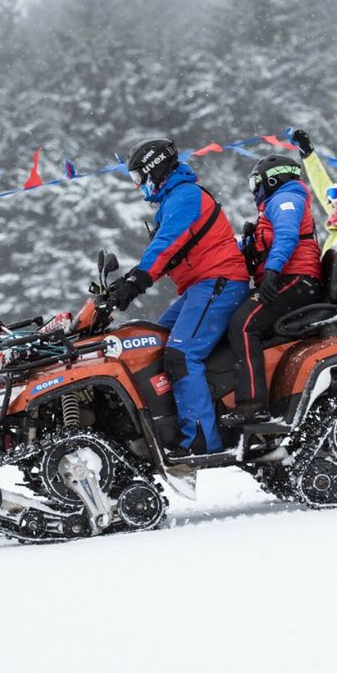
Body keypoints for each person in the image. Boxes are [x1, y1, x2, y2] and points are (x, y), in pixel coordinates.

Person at [108, 138, 250, 458]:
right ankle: (166, 424)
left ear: (154, 170)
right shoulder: (174, 199)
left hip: (220, 282)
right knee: (151, 342)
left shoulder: (185, 197)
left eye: (137, 178)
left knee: (182, 354)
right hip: (200, 287)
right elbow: (162, 254)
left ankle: (201, 438)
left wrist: (138, 281)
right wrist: (126, 283)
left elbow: (166, 245)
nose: (137, 186)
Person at [226, 154, 323, 423]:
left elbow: (287, 236)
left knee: (243, 324)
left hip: (296, 278)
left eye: (255, 183)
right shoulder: (275, 203)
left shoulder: (286, 198)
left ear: (271, 179)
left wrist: (272, 271)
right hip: (285, 277)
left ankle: (252, 404)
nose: (254, 190)